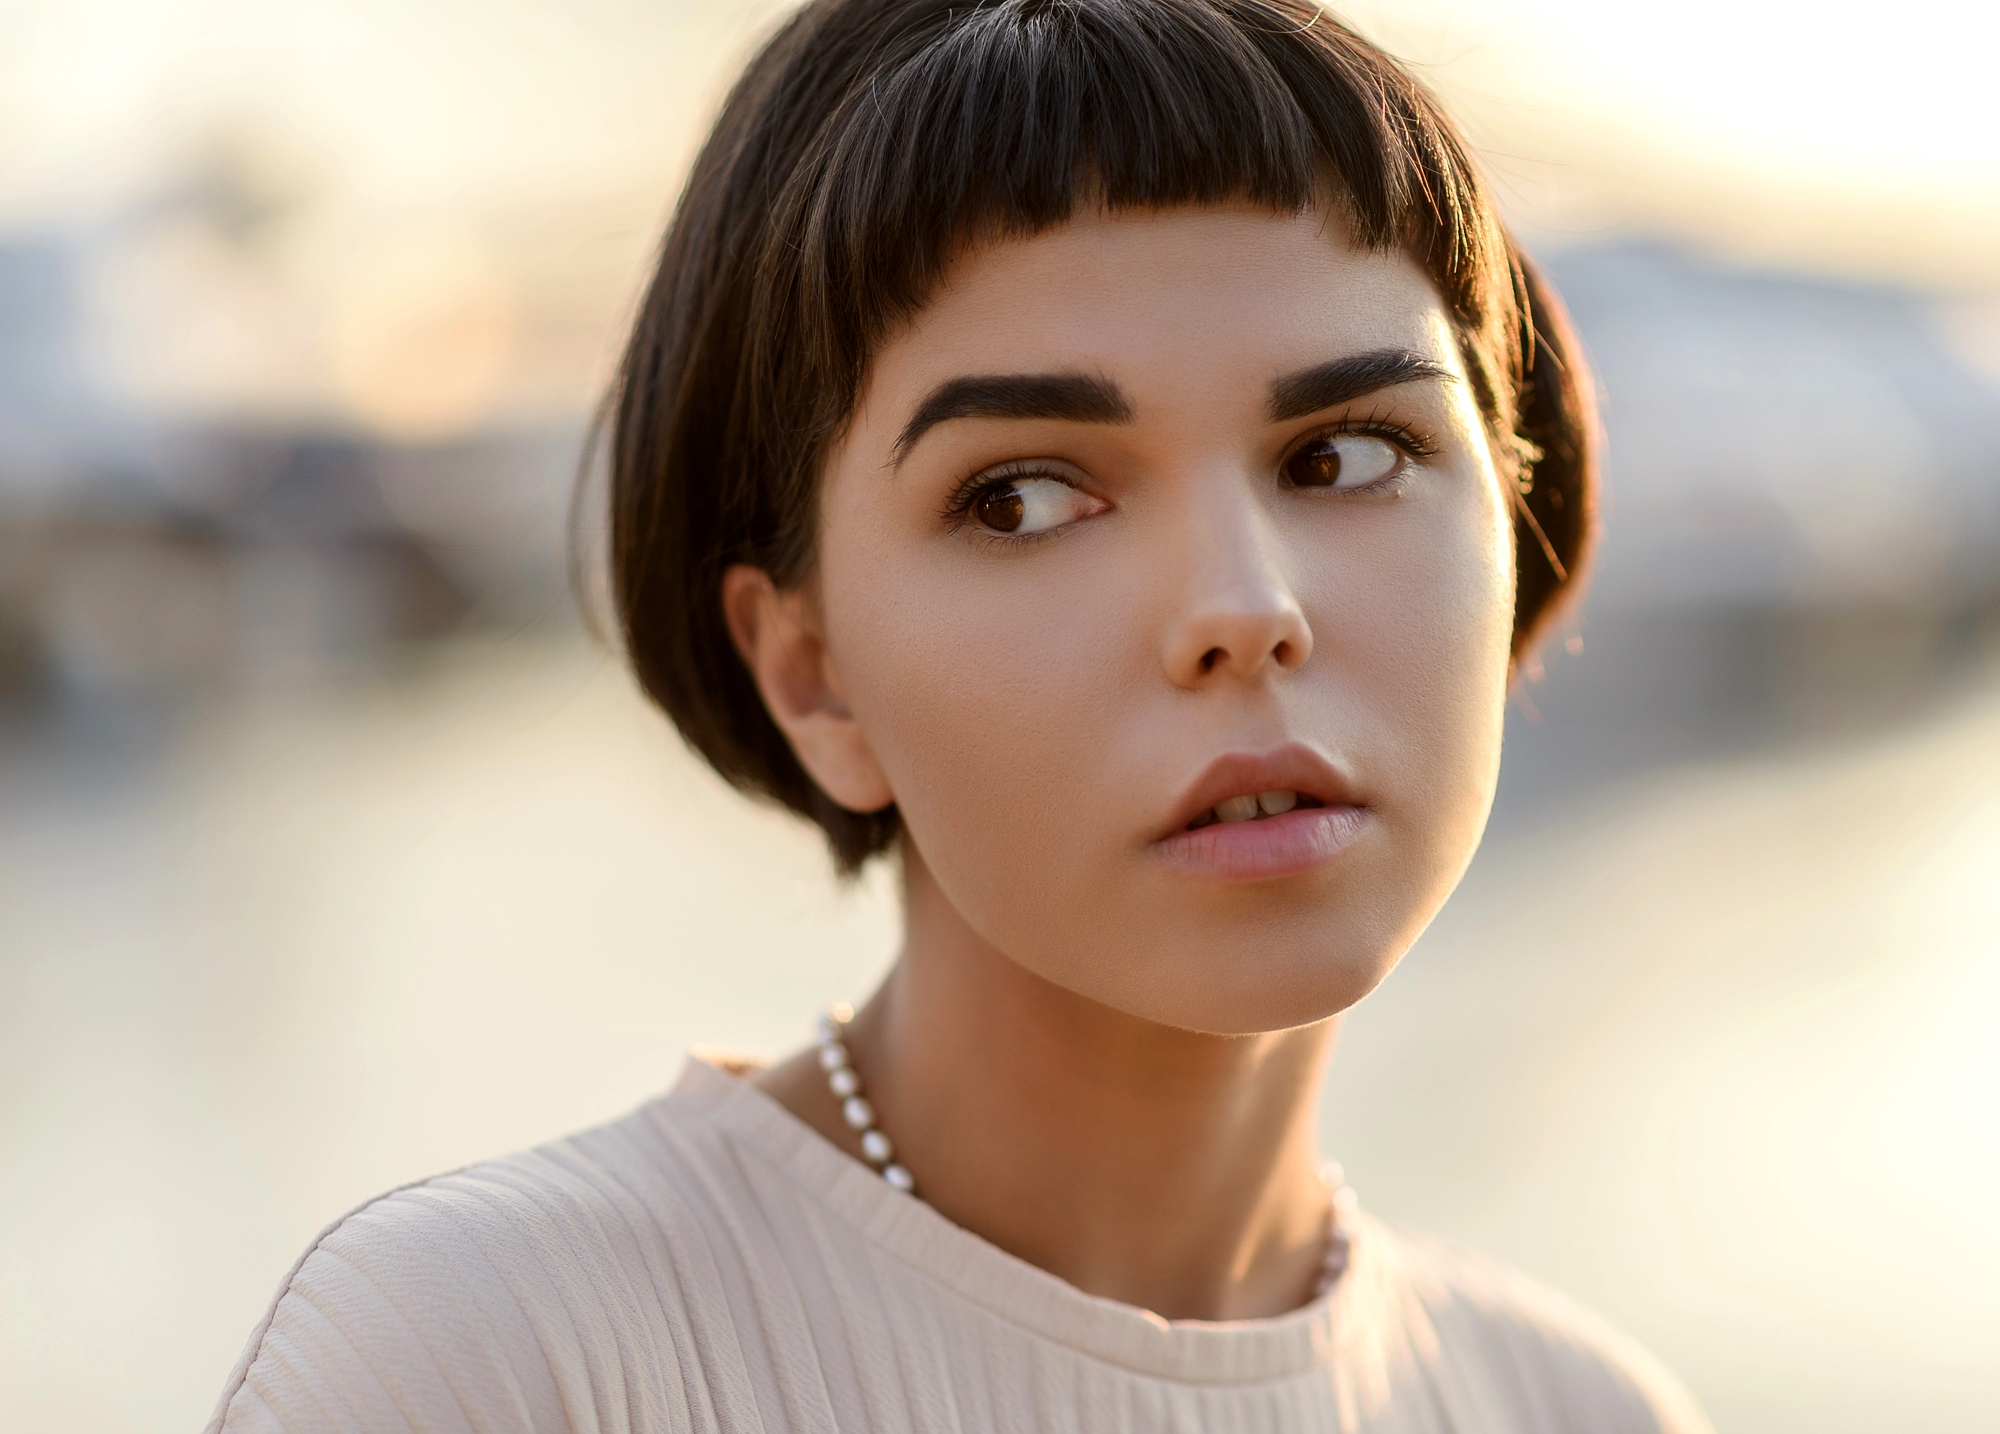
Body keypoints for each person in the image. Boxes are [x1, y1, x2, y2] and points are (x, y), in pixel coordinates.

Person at [208, 1, 1712, 1429]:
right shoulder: (490, 1363)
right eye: (1025, 496)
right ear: (811, 671)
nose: (1244, 610)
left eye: (1345, 457)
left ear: (1514, 516)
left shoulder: (1576, 1407)